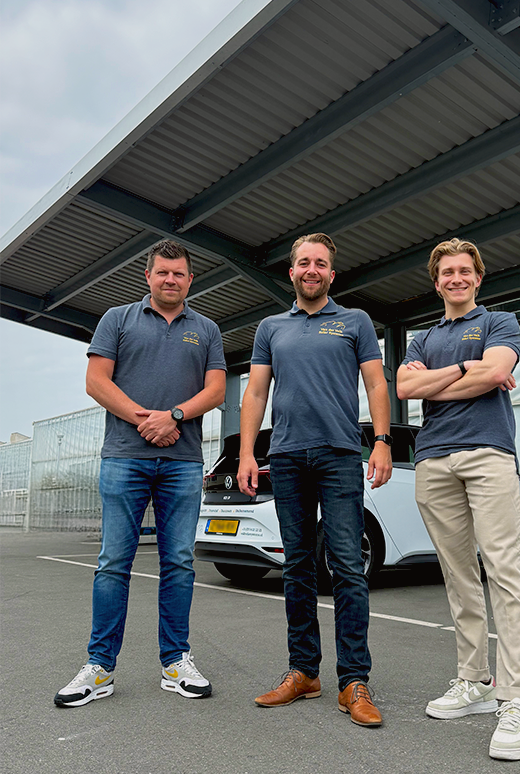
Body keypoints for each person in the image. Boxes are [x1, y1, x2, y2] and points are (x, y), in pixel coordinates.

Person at [54, 239, 226, 707]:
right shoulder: (117, 319)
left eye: (179, 273)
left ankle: (175, 661)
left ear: (191, 279)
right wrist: (145, 421)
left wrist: (172, 416)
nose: (170, 279)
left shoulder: (206, 329)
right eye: (162, 272)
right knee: (113, 563)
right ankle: (100, 667)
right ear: (147, 277)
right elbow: (96, 381)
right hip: (124, 457)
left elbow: (215, 392)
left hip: (183, 463)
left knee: (179, 563)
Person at [237, 233, 392, 727]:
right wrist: (246, 452)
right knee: (297, 567)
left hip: (340, 454)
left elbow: (375, 382)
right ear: (292, 272)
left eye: (320, 263)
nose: (312, 270)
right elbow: (256, 392)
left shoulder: (356, 322)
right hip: (285, 456)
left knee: (347, 565)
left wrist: (383, 441)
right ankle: (304, 672)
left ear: (331, 273)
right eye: (303, 262)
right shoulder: (270, 327)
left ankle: (353, 681)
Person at [396, 238, 520, 761]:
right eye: (446, 272)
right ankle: (474, 681)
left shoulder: (501, 322)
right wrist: (462, 372)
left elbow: (497, 371)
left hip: (488, 456)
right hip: (433, 461)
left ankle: (516, 700)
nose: (455, 278)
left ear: (478, 278)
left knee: (505, 573)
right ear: (436, 283)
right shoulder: (422, 337)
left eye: (464, 271)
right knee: (459, 577)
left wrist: (444, 381)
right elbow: (405, 390)